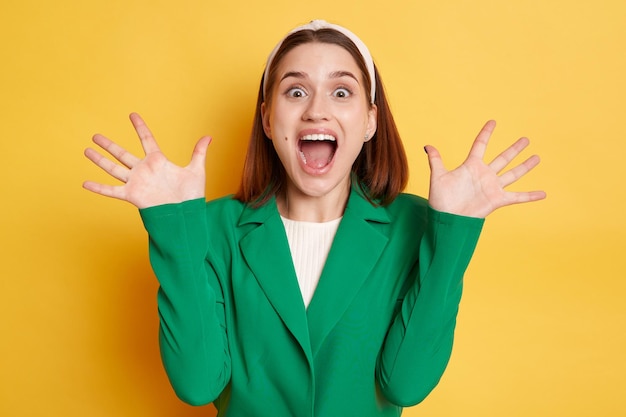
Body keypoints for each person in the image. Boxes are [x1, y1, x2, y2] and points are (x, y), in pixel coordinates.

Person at [83, 20, 545, 417]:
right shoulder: (212, 229)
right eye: (296, 90)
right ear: (267, 120)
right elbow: (198, 384)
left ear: (369, 121)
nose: (317, 110)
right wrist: (175, 229)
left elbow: (407, 384)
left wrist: (452, 238)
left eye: (341, 91)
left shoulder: (417, 225)